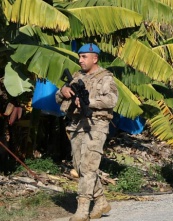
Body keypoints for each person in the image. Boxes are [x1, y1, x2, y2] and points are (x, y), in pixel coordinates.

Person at [55, 43, 118, 221]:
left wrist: (88, 101)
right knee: (79, 165)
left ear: (95, 58)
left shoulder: (106, 78)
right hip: (76, 124)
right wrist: (63, 91)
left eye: (84, 57)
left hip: (96, 124)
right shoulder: (76, 76)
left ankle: (83, 208)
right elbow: (57, 97)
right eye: (80, 56)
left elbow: (111, 99)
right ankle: (101, 200)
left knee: (89, 166)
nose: (80, 60)